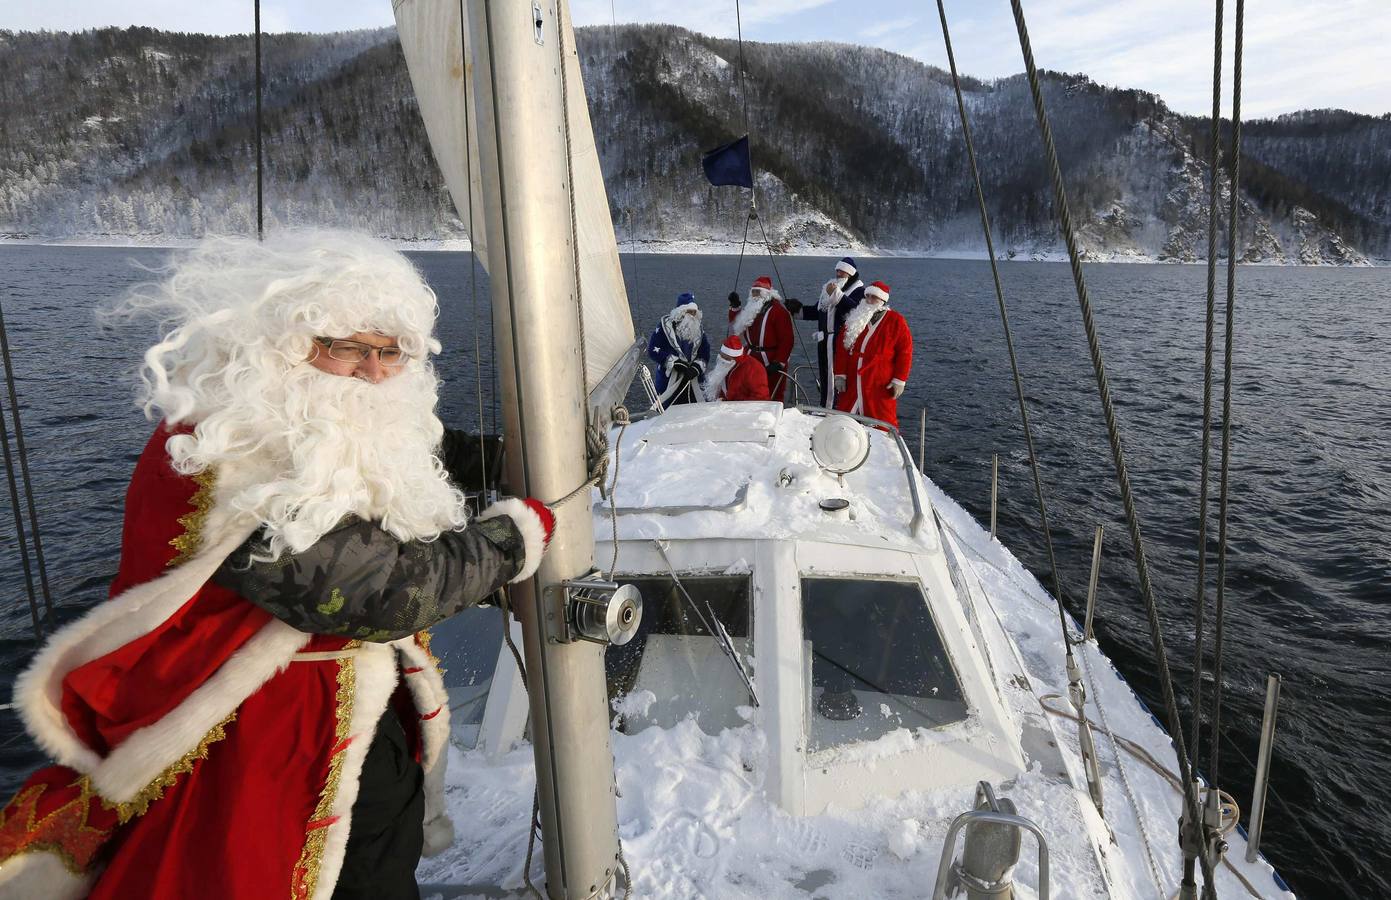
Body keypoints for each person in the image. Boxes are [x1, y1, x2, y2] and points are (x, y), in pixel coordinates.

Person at [0, 232, 555, 900]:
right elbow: (384, 592)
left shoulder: (306, 414)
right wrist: (518, 536)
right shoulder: (227, 454)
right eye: (347, 347)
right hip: (258, 746)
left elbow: (403, 443)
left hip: (346, 726)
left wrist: (500, 457)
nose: (375, 372)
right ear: (281, 343)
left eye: (390, 351)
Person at [786, 256, 864, 407]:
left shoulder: (859, 291)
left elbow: (855, 310)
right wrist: (797, 310)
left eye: (843, 271)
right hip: (824, 341)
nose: (839, 274)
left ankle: (834, 409)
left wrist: (837, 295)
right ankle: (825, 406)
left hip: (841, 343)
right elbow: (817, 312)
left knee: (836, 376)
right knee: (825, 377)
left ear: (851, 273)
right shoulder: (830, 289)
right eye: (838, 270)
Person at [833, 281, 912, 428]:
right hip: (852, 381)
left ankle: (885, 446)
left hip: (879, 383)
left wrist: (899, 380)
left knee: (882, 422)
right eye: (867, 296)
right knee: (845, 421)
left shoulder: (896, 321)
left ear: (882, 301)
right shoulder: (854, 319)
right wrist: (840, 375)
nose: (869, 300)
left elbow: (905, 352)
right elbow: (841, 349)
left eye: (873, 297)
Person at [727, 275, 793, 401]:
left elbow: (787, 339)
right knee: (746, 387)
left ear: (767, 293)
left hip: (770, 359)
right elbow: (737, 325)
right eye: (753, 291)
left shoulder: (778, 311)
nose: (755, 294)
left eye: (758, 291)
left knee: (771, 391)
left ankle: (770, 417)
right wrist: (735, 306)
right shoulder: (751, 309)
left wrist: (779, 362)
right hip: (750, 355)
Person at [646, 293, 710, 407]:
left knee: (696, 410)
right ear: (681, 312)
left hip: (692, 378)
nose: (692, 315)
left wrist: (697, 367)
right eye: (689, 312)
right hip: (670, 379)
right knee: (667, 409)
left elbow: (705, 352)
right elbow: (652, 350)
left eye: (694, 312)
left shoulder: (698, 328)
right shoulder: (664, 327)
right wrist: (673, 362)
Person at [704, 336, 770, 402]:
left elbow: (761, 398)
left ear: (736, 359)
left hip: (744, 409)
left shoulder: (754, 369)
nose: (722, 360)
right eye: (721, 356)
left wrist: (732, 404)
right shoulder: (726, 365)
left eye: (727, 359)